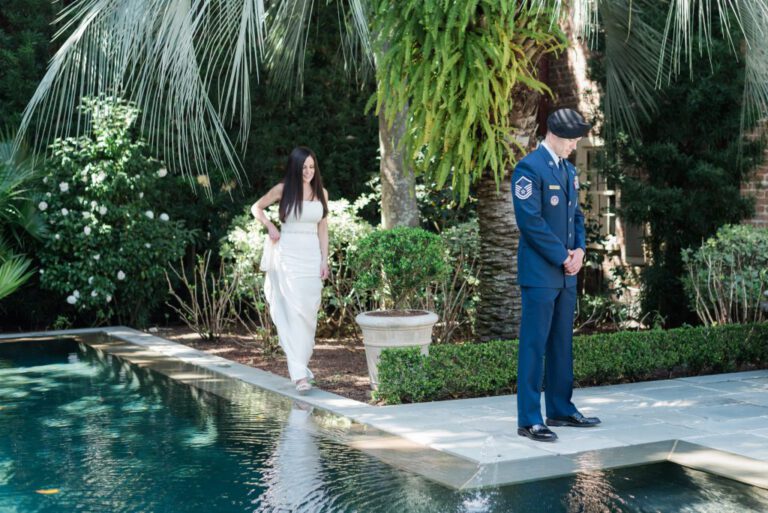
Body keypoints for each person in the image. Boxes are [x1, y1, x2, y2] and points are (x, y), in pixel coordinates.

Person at [511, 108, 601, 442]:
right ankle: (530, 419)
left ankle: (561, 409)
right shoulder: (528, 168)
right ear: (554, 135)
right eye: (571, 141)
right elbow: (530, 221)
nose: (573, 147)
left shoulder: (567, 170)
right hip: (540, 273)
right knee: (535, 345)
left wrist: (579, 250)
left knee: (562, 343)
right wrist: (563, 255)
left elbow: (575, 215)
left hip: (566, 273)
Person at [251, 146, 330, 394]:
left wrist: (324, 260)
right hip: (288, 256)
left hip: (311, 256)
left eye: (312, 167)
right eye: (304, 167)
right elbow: (257, 207)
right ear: (295, 167)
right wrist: (270, 226)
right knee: (293, 313)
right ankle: (298, 375)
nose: (308, 171)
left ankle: (300, 365)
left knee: (308, 313)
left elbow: (323, 229)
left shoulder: (321, 193)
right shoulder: (282, 189)